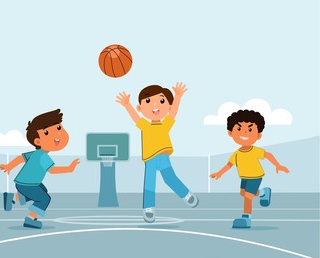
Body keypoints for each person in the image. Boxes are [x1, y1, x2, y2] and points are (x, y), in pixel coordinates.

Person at [116, 82, 199, 223]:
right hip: (150, 159)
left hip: (163, 156)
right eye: (148, 101)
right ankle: (148, 208)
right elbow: (135, 118)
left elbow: (173, 113)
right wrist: (127, 105)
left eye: (161, 101)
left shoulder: (165, 124)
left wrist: (178, 96)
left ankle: (186, 194)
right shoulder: (145, 125)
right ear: (140, 108)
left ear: (168, 106)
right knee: (150, 182)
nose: (155, 106)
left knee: (170, 178)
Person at [0, 109, 80, 229]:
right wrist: (69, 168)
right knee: (44, 199)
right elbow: (52, 170)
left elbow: (21, 158)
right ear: (38, 141)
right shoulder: (43, 156)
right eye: (47, 132)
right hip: (28, 185)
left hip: (24, 183)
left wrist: (9, 166)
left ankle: (13, 198)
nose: (57, 134)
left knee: (43, 190)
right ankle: (30, 219)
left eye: (58, 128)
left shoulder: (36, 153)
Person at [210, 109, 289, 228]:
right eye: (239, 129)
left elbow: (268, 155)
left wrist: (278, 165)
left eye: (250, 129)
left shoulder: (255, 151)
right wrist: (219, 173)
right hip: (244, 177)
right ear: (230, 133)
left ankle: (246, 218)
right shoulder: (237, 153)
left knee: (248, 197)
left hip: (256, 177)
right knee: (243, 193)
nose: (245, 132)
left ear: (258, 135)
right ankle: (263, 193)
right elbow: (229, 164)